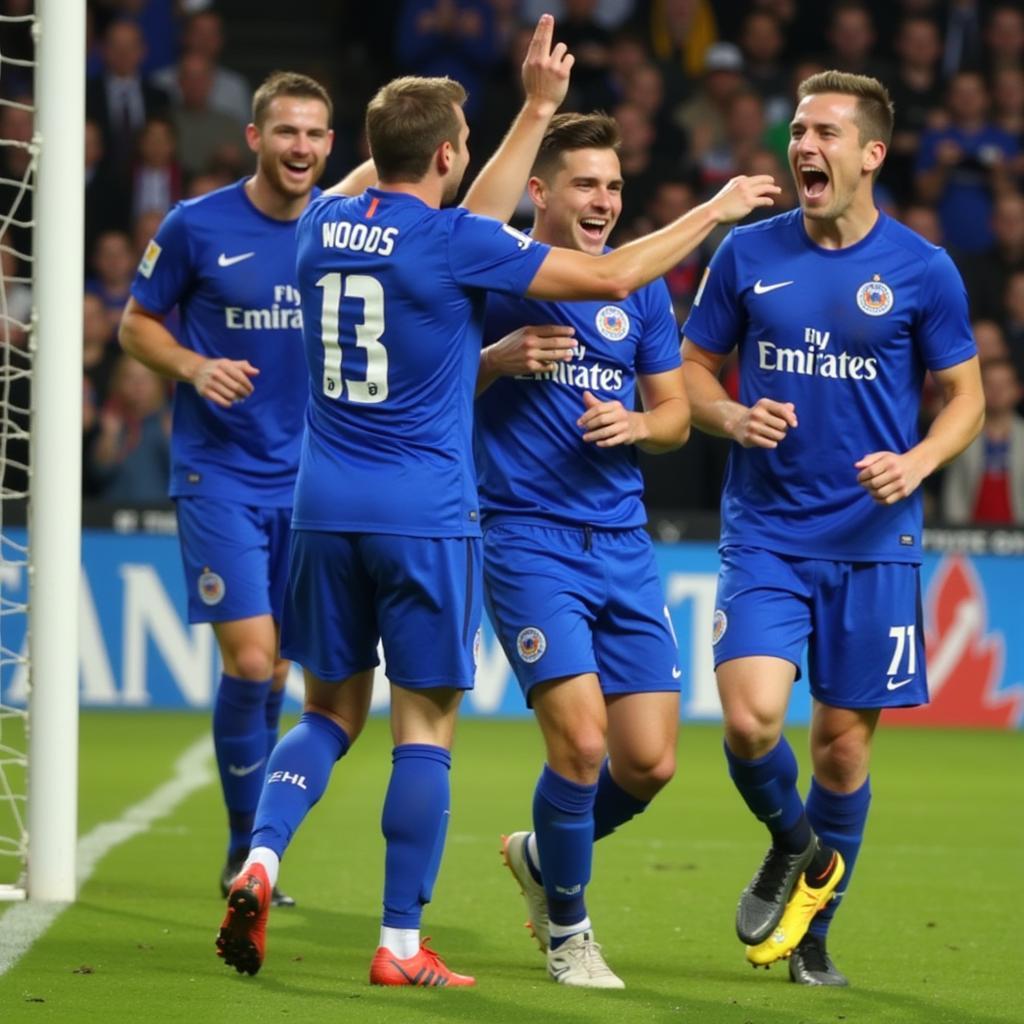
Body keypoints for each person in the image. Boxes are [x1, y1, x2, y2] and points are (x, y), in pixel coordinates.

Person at [213, 14, 779, 989]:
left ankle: (260, 856)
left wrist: (525, 113)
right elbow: (594, 267)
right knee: (423, 729)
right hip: (428, 516)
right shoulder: (454, 246)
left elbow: (430, 196)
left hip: (319, 505)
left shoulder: (312, 229)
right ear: (444, 154)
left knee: (328, 713)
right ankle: (400, 944)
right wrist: (714, 203)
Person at [681, 70, 984, 986]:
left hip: (873, 541)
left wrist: (919, 462)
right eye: (799, 130)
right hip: (767, 530)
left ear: (871, 155)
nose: (804, 147)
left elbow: (964, 400)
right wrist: (732, 418)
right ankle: (796, 848)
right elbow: (692, 372)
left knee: (842, 747)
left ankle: (813, 938)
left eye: (825, 134)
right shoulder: (746, 253)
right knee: (750, 721)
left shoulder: (923, 270)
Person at [472, 112, 688, 989]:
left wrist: (639, 420)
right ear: (541, 191)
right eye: (585, 185)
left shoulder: (637, 289)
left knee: (649, 762)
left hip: (623, 541)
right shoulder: (490, 272)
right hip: (526, 535)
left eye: (612, 186)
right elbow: (422, 378)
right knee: (583, 746)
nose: (602, 201)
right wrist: (497, 357)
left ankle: (538, 853)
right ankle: (569, 929)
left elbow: (675, 417)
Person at [118, 70, 335, 909]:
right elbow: (138, 321)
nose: (302, 148)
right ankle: (250, 850)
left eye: (316, 134)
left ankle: (245, 854)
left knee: (277, 673)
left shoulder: (335, 229)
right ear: (255, 137)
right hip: (220, 476)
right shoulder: (195, 226)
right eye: (287, 132)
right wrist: (194, 365)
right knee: (251, 659)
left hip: (310, 483)